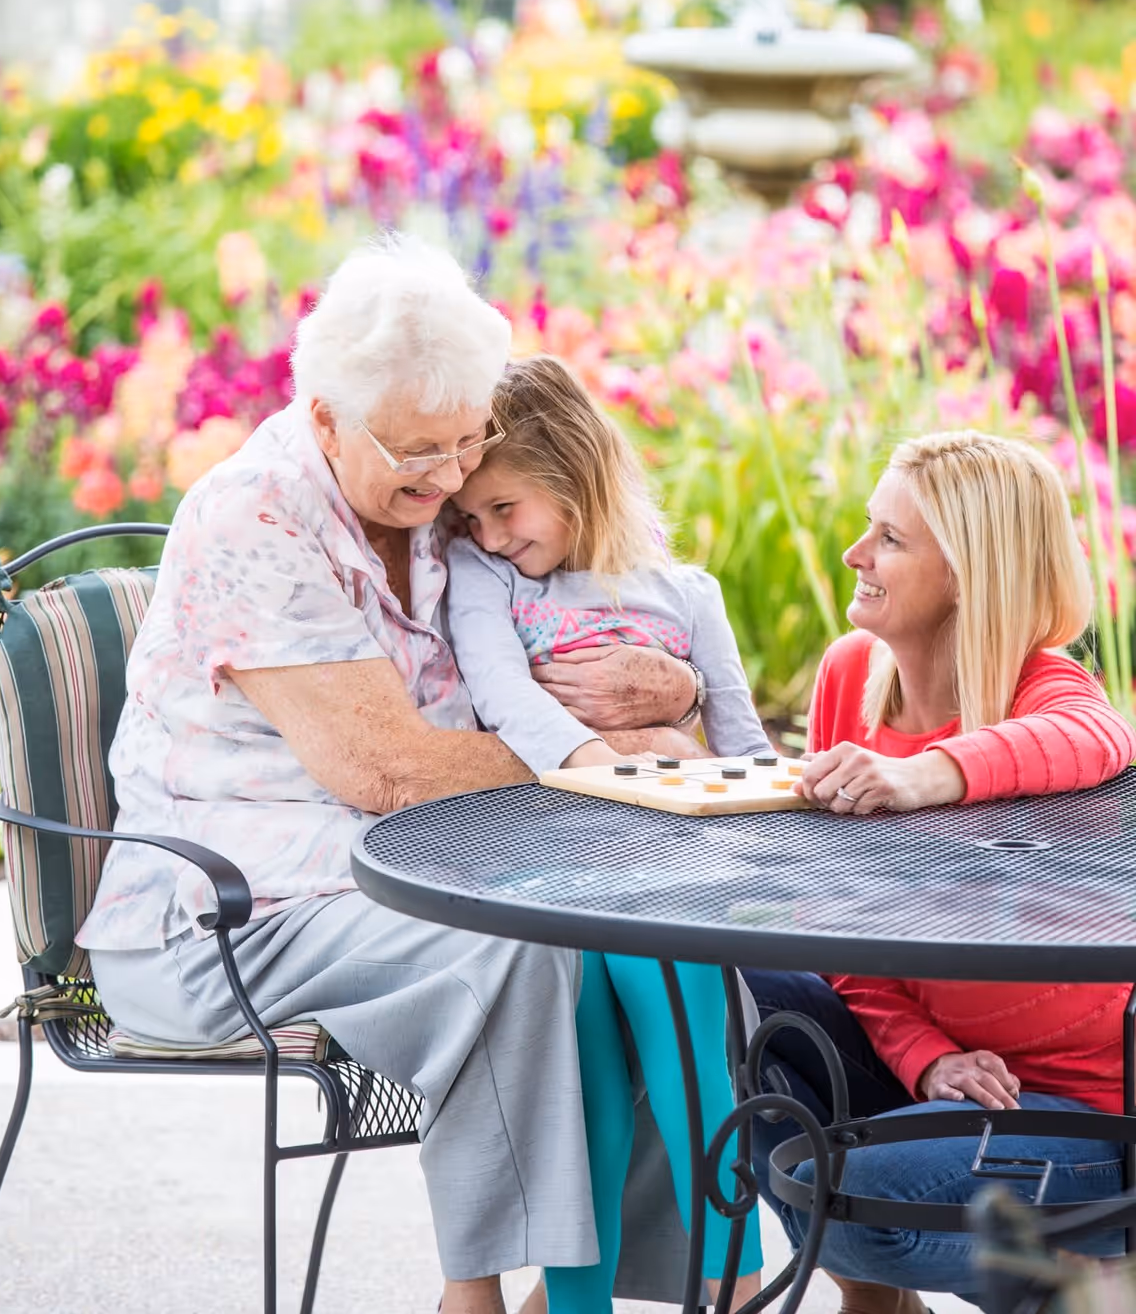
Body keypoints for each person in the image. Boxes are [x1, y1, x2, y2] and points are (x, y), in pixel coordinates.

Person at [77, 234, 712, 1314]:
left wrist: (673, 697)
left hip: (417, 868)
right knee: (520, 955)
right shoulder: (256, 516)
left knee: (657, 929)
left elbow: (588, 659)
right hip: (222, 913)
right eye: (421, 451)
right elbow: (388, 772)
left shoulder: (450, 512)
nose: (455, 477)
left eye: (468, 443)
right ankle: (483, 1297)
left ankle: (683, 1274)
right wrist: (604, 760)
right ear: (324, 415)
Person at [741, 429, 1136, 1314]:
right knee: (720, 989)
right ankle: (900, 1298)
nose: (856, 554)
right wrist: (925, 1060)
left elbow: (1100, 736)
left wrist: (926, 775)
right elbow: (838, 921)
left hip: (1084, 1104)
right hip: (940, 1062)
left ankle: (1072, 1288)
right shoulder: (852, 677)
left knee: (851, 1207)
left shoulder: (1045, 688)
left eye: (891, 538)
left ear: (966, 572)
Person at [447, 354, 769, 1314]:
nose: (491, 535)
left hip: (675, 880)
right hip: (553, 870)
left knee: (686, 1030)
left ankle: (734, 1282)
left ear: (576, 470)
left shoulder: (688, 594)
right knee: (583, 1070)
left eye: (506, 509)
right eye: (473, 518)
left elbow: (745, 747)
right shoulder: (485, 579)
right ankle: (579, 1304)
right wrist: (617, 768)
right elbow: (502, 695)